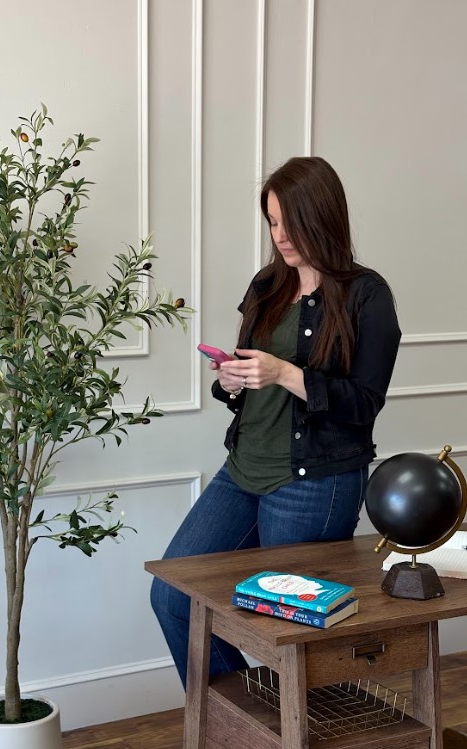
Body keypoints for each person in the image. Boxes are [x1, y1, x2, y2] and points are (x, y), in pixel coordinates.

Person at [150, 156, 401, 688]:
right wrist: (231, 381)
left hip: (314, 483)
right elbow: (251, 377)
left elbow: (364, 404)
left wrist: (287, 373)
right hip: (243, 468)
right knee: (173, 596)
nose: (280, 236)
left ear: (321, 216)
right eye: (272, 222)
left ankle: (287, 723)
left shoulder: (367, 295)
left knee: (285, 637)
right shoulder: (267, 284)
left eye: (290, 222)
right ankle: (241, 722)